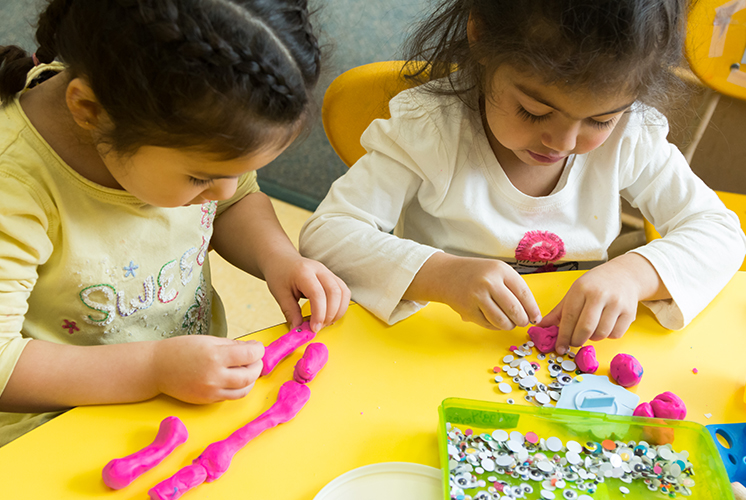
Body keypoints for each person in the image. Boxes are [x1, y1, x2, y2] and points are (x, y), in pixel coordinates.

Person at [300, 0, 746, 353]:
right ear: (481, 37)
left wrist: (634, 274)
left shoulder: (632, 136)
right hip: (439, 341)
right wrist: (443, 275)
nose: (564, 142)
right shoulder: (429, 129)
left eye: (600, 120)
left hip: (564, 353)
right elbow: (327, 236)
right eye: (534, 110)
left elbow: (721, 232)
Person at [0, 0, 350, 446]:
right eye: (201, 177)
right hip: (55, 427)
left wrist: (277, 257)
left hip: (184, 387)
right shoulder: (12, 184)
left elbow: (235, 202)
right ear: (89, 109)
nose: (225, 189)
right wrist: (154, 370)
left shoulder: (181, 138)